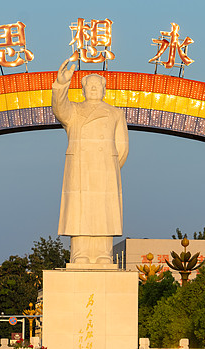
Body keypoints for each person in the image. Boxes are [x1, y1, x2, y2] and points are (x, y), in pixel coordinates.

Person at [52, 58, 129, 264]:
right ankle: (80, 253)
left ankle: (104, 253)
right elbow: (59, 108)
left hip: (104, 171)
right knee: (81, 211)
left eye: (98, 86)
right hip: (80, 169)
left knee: (103, 212)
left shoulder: (115, 113)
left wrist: (108, 167)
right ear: (83, 90)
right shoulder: (74, 111)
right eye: (90, 86)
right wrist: (61, 84)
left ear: (104, 90)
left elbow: (122, 147)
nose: (94, 89)